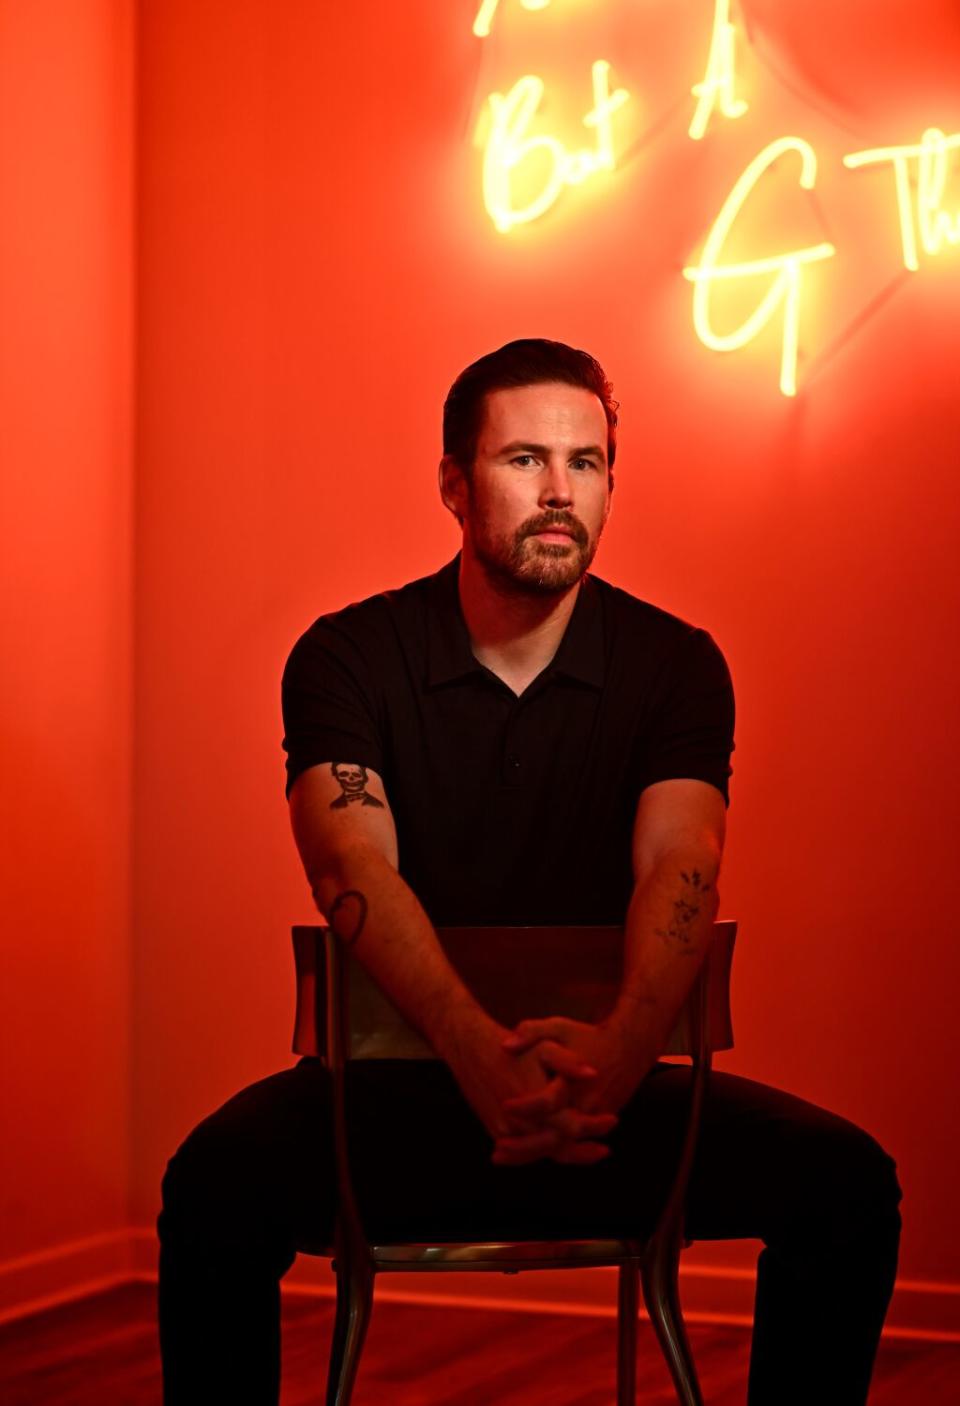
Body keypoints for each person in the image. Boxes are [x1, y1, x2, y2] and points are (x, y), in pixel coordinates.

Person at [158, 339, 902, 1404]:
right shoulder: (347, 656)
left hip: (610, 1099)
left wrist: (616, 1057)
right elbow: (347, 861)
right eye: (523, 460)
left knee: (847, 1182)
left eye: (586, 463)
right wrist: (475, 1054)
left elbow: (683, 861)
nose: (560, 492)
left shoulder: (675, 664)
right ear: (455, 484)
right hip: (392, 1113)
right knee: (213, 1185)